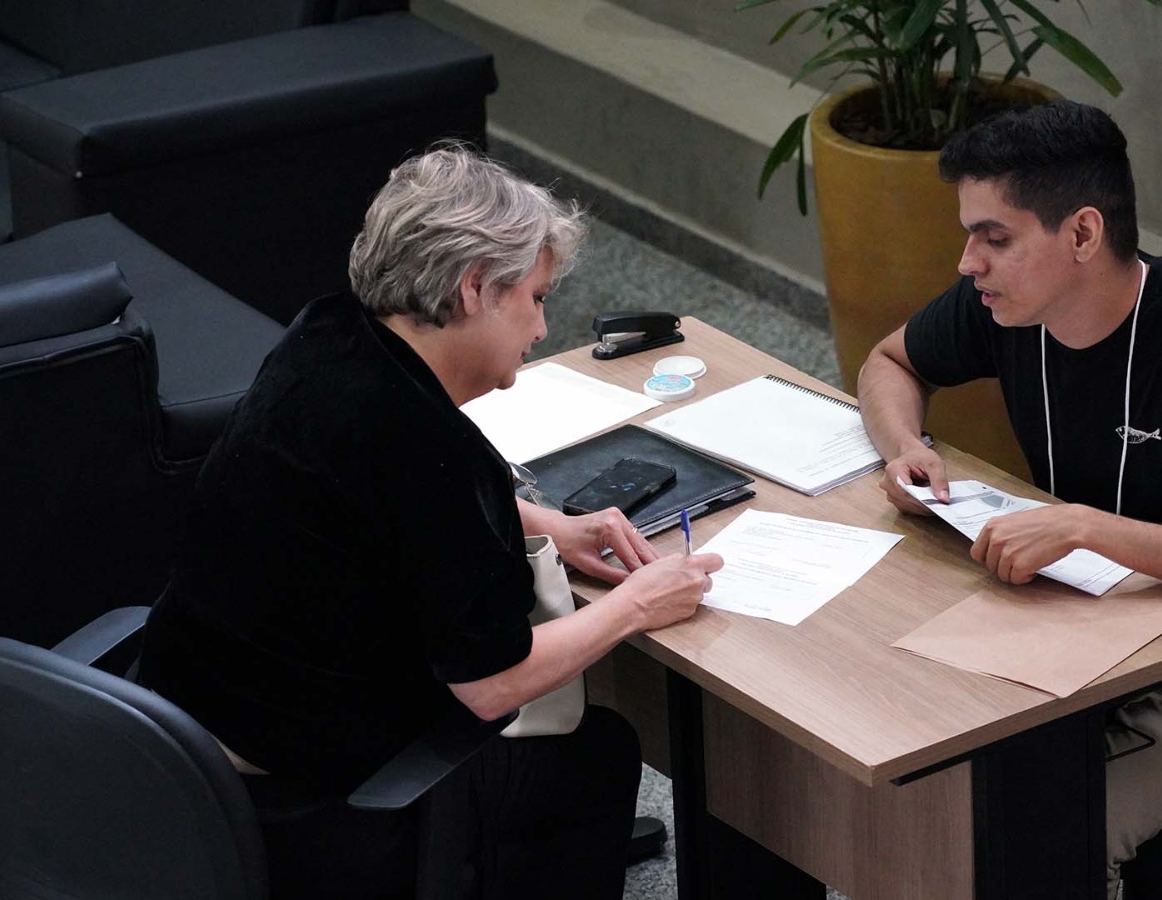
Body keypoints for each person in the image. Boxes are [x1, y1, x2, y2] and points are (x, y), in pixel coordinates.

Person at [136, 145, 723, 899]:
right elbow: (492, 684)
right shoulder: (424, 442)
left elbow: (369, 496)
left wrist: (548, 522)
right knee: (597, 753)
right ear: (477, 287)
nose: (542, 328)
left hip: (186, 722)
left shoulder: (327, 337)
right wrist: (637, 605)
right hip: (297, 779)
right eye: (538, 298)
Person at [856, 101, 1162, 896]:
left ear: (1082, 234)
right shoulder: (1009, 308)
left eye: (994, 237)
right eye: (969, 234)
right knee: (905, 780)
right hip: (1085, 622)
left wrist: (1090, 528)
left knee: (1034, 833)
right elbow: (889, 362)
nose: (966, 264)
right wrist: (908, 446)